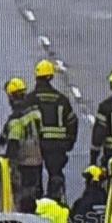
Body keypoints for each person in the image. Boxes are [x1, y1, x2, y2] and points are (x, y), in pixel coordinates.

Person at [27, 60, 77, 190]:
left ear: (37, 77)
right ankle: (56, 197)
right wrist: (69, 142)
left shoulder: (30, 99)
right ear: (51, 77)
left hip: (35, 145)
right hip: (57, 145)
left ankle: (35, 199)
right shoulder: (62, 100)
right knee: (56, 175)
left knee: (34, 178)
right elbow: (72, 122)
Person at [0, 77, 44, 198]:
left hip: (24, 163)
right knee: (36, 191)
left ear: (12, 97)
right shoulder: (35, 112)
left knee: (23, 194)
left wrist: (7, 161)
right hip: (37, 159)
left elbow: (13, 142)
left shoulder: (16, 119)